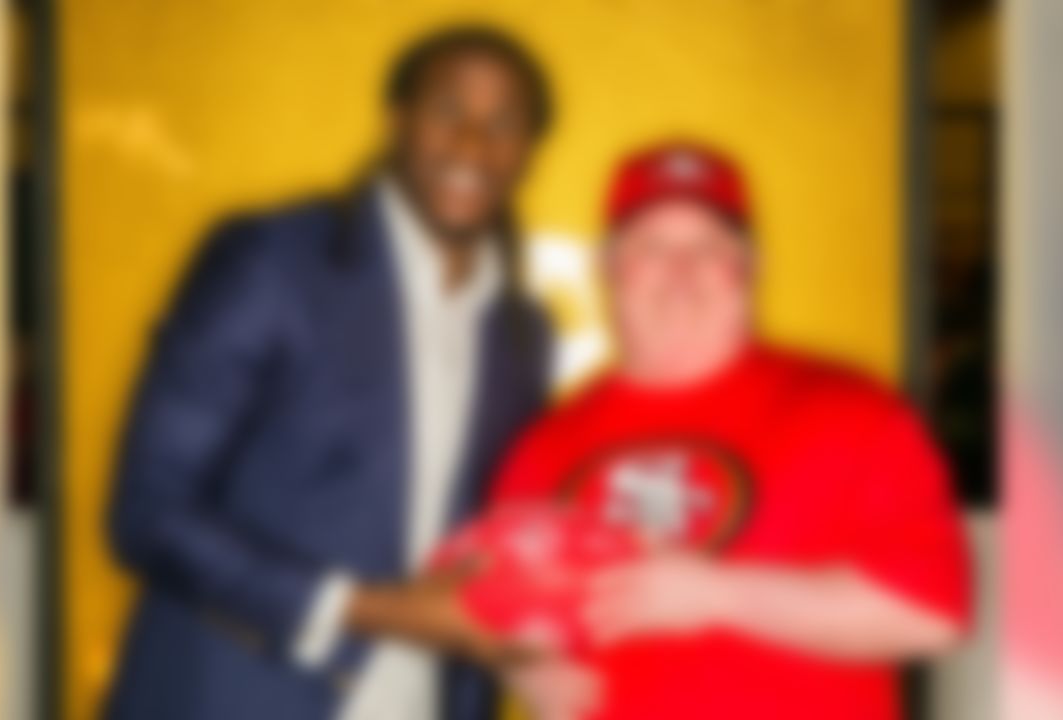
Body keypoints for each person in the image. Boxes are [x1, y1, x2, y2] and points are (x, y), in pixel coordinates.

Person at [104, 26, 553, 720]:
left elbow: (491, 550)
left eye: (504, 123)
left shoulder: (521, 335)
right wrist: (378, 612)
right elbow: (147, 510)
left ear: (527, 151)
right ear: (395, 121)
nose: (472, 144)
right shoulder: (274, 263)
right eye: (448, 110)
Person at [492, 141, 971, 720]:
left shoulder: (856, 413)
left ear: (751, 264)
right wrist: (527, 664)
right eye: (652, 247)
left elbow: (932, 614)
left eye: (708, 247)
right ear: (610, 266)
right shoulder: (547, 444)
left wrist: (716, 595)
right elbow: (499, 601)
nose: (680, 270)